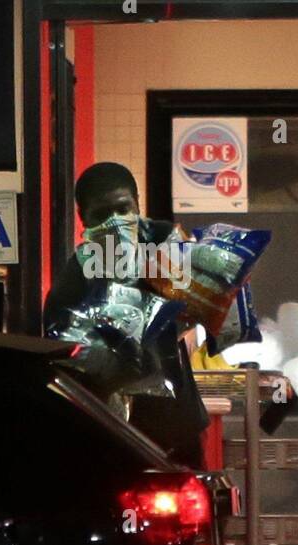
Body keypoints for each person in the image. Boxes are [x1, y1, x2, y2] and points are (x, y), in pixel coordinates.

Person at [45, 162, 208, 467]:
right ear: (84, 219)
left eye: (123, 209)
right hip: (112, 430)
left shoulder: (163, 244)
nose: (115, 222)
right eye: (102, 215)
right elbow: (61, 347)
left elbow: (202, 309)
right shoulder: (76, 276)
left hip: (177, 426)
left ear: (137, 206)